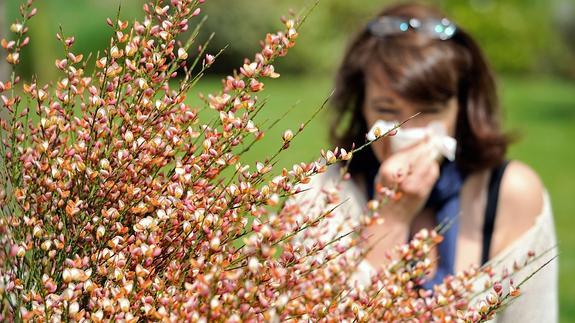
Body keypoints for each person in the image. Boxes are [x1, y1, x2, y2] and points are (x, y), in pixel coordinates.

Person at [300, 2, 558, 321]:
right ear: (361, 107)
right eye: (388, 110)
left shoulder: (510, 195)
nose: (407, 132)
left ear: (461, 110)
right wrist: (390, 218)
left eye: (430, 111)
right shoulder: (325, 193)